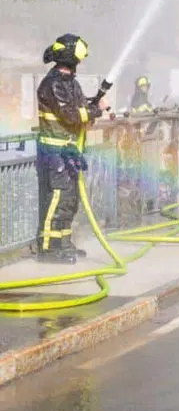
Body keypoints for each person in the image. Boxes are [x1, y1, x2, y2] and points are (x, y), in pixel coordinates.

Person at [36, 34, 106, 262]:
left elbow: (81, 107)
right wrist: (96, 110)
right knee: (57, 198)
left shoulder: (69, 83)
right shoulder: (53, 84)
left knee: (69, 200)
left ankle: (63, 243)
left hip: (69, 151)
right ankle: (48, 249)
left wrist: (94, 103)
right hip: (55, 152)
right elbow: (71, 115)